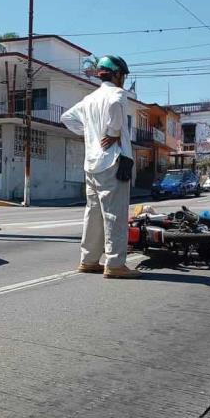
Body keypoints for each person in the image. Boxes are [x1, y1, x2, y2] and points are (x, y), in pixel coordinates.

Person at [60, 55, 141, 279]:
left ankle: (88, 260)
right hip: (113, 161)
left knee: (93, 213)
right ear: (116, 75)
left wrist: (89, 133)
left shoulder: (89, 99)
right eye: (122, 75)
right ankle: (115, 264)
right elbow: (115, 105)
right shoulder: (116, 94)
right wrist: (113, 133)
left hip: (92, 163)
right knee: (114, 213)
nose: (123, 80)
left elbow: (66, 117)